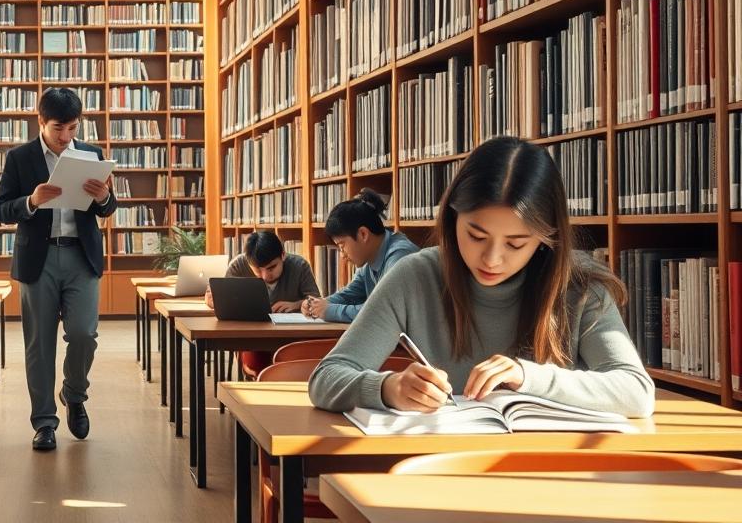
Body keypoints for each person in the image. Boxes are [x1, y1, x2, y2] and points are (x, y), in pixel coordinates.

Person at [309, 136, 654, 417]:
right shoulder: (415, 276)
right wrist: (387, 388)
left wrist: (527, 376)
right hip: (441, 475)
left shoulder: (579, 285)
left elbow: (636, 392)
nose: (492, 259)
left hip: (558, 479)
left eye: (516, 243)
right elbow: (327, 377)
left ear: (547, 238)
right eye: (476, 236)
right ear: (452, 217)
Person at [0, 87, 117, 451]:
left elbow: (108, 209)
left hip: (82, 256)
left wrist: (103, 198)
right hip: (39, 259)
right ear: (40, 121)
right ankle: (44, 421)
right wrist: (30, 201)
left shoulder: (91, 154)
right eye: (58, 129)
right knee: (39, 344)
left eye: (72, 129)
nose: (65, 138)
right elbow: (0, 209)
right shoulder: (20, 158)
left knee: (83, 335)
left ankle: (74, 394)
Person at [204, 229, 320, 373]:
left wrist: (297, 304)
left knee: (296, 369)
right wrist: (215, 301)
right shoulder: (238, 266)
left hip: (291, 337)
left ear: (283, 255)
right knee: (258, 366)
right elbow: (222, 302)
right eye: (258, 270)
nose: (265, 276)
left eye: (271, 268)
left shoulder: (300, 266)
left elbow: (315, 301)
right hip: (252, 338)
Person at [301, 189, 419, 322]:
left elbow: (383, 312)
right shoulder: (370, 259)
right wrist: (317, 304)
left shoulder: (400, 257)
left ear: (363, 234)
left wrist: (329, 310)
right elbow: (350, 295)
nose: (342, 255)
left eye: (342, 246)